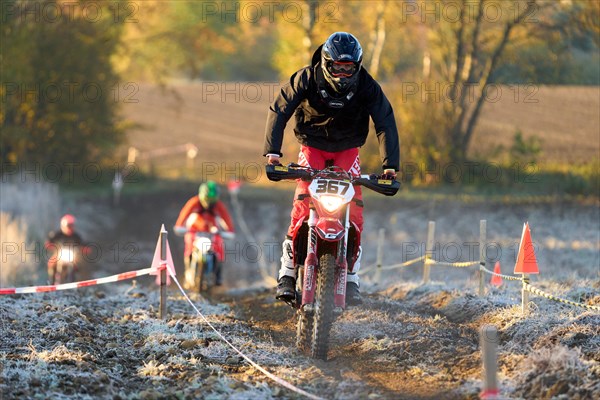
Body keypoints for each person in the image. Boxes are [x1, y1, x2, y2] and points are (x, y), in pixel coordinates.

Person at [263, 32, 400, 305]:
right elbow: (280, 109)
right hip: (312, 148)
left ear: (357, 66)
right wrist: (273, 153)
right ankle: (287, 273)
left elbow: (385, 120)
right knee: (302, 204)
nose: (343, 73)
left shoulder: (367, 86)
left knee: (356, 210)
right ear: (327, 63)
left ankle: (351, 277)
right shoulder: (305, 78)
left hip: (348, 150)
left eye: (349, 68)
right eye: (338, 67)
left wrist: (390, 166)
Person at [173, 181, 235, 287]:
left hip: (212, 231)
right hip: (194, 230)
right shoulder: (194, 202)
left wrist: (228, 232)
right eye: (207, 200)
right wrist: (179, 227)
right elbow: (183, 216)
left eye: (212, 200)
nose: (209, 203)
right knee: (189, 243)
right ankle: (188, 270)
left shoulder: (219, 206)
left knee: (219, 245)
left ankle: (218, 274)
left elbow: (228, 222)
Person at [45, 214, 89, 284]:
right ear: (63, 225)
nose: (70, 228)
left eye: (71, 225)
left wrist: (85, 248)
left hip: (72, 257)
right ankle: (51, 283)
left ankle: (76, 283)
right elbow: (49, 241)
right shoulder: (57, 234)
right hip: (59, 256)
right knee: (51, 263)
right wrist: (49, 245)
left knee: (79, 265)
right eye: (68, 226)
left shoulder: (76, 236)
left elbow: (83, 244)